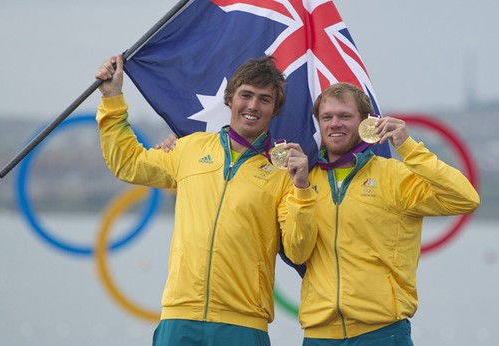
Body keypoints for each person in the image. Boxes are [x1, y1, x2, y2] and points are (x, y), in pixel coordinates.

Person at [94, 54, 317, 346]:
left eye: (264, 99)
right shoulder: (191, 148)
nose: (252, 105)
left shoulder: (283, 170)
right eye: (246, 95)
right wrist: (112, 98)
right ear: (230, 99)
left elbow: (299, 250)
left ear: (275, 110)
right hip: (179, 317)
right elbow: (127, 163)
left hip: (242, 323)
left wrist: (301, 188)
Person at [285, 82, 480, 345]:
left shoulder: (394, 176)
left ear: (366, 122)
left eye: (345, 116)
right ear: (318, 123)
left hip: (382, 332)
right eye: (327, 117)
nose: (335, 124)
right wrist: (302, 191)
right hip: (320, 335)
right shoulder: (304, 181)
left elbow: (465, 199)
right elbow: (297, 252)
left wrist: (409, 147)